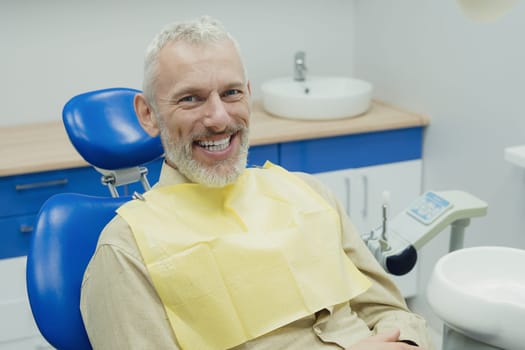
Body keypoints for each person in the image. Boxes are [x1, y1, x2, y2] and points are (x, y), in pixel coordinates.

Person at [80, 16, 435, 350]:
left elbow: (389, 311)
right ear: (148, 114)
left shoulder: (308, 194)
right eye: (191, 98)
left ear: (248, 95)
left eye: (232, 93)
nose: (219, 118)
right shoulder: (127, 252)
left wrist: (405, 342)